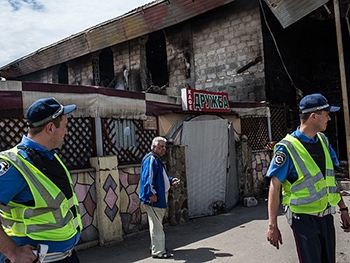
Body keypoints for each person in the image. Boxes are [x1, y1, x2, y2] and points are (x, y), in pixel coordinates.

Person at [266, 93, 350, 263]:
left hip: (326, 216)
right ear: (314, 116)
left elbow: (330, 180)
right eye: (326, 114)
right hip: (303, 219)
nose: (329, 119)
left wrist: (343, 209)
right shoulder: (286, 148)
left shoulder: (323, 140)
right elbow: (275, 186)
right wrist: (272, 225)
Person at [0, 98, 82, 263]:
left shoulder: (50, 157)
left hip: (66, 256)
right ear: (50, 128)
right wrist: (13, 252)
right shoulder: (14, 164)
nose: (67, 132)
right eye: (65, 126)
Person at [139, 136, 180, 259]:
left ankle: (156, 246)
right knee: (157, 225)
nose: (163, 149)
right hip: (154, 199)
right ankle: (158, 251)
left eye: (164, 147)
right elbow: (148, 178)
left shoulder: (156, 159)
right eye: (161, 146)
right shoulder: (152, 159)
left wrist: (170, 180)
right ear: (153, 147)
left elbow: (159, 177)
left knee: (156, 224)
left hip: (157, 197)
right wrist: (152, 194)